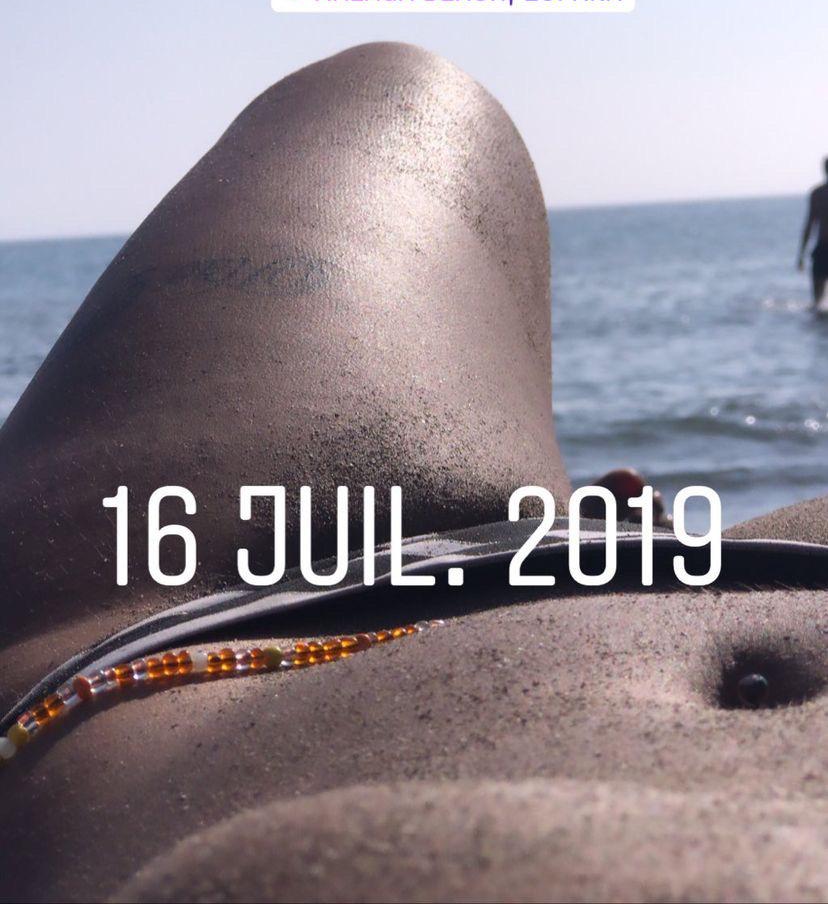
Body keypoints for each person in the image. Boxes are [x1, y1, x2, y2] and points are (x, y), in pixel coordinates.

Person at [2, 44, 828, 904]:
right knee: (402, 97)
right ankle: (573, 550)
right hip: (731, 577)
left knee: (391, 91)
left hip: (172, 683)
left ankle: (560, 551)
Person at [797, 158, 828, 307]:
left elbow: (809, 225)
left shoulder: (817, 194)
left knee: (817, 302)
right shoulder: (817, 194)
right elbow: (810, 225)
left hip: (822, 247)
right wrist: (801, 254)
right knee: (817, 302)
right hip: (822, 248)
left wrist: (801, 254)